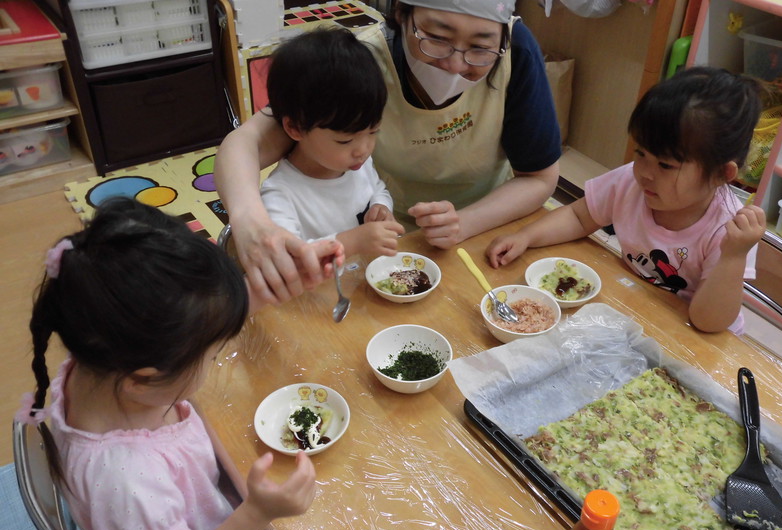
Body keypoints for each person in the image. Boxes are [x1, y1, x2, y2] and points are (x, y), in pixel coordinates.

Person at [17, 199, 316, 530]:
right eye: (212, 355)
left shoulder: (102, 357)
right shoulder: (125, 479)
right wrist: (257, 513)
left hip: (201, 511)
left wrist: (266, 291)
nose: (215, 360)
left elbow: (187, 322)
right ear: (144, 380)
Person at [215, 0, 562, 305]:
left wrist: (464, 223)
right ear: (401, 14)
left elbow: (539, 178)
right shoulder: (362, 65)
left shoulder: (516, 51)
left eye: (480, 47)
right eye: (437, 38)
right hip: (390, 244)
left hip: (490, 230)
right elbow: (247, 143)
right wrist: (249, 221)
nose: (456, 65)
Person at [485, 66, 766, 334]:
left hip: (691, 331)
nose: (644, 173)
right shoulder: (630, 183)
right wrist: (526, 236)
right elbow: (579, 217)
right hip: (635, 304)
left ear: (720, 174)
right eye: (641, 153)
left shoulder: (728, 231)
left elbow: (709, 322)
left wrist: (733, 256)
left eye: (665, 165)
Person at [261, 27, 405, 257]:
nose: (363, 149)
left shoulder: (355, 164)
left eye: (373, 131)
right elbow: (289, 259)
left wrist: (381, 207)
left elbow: (377, 188)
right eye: (345, 140)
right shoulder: (280, 194)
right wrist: (351, 242)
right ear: (295, 128)